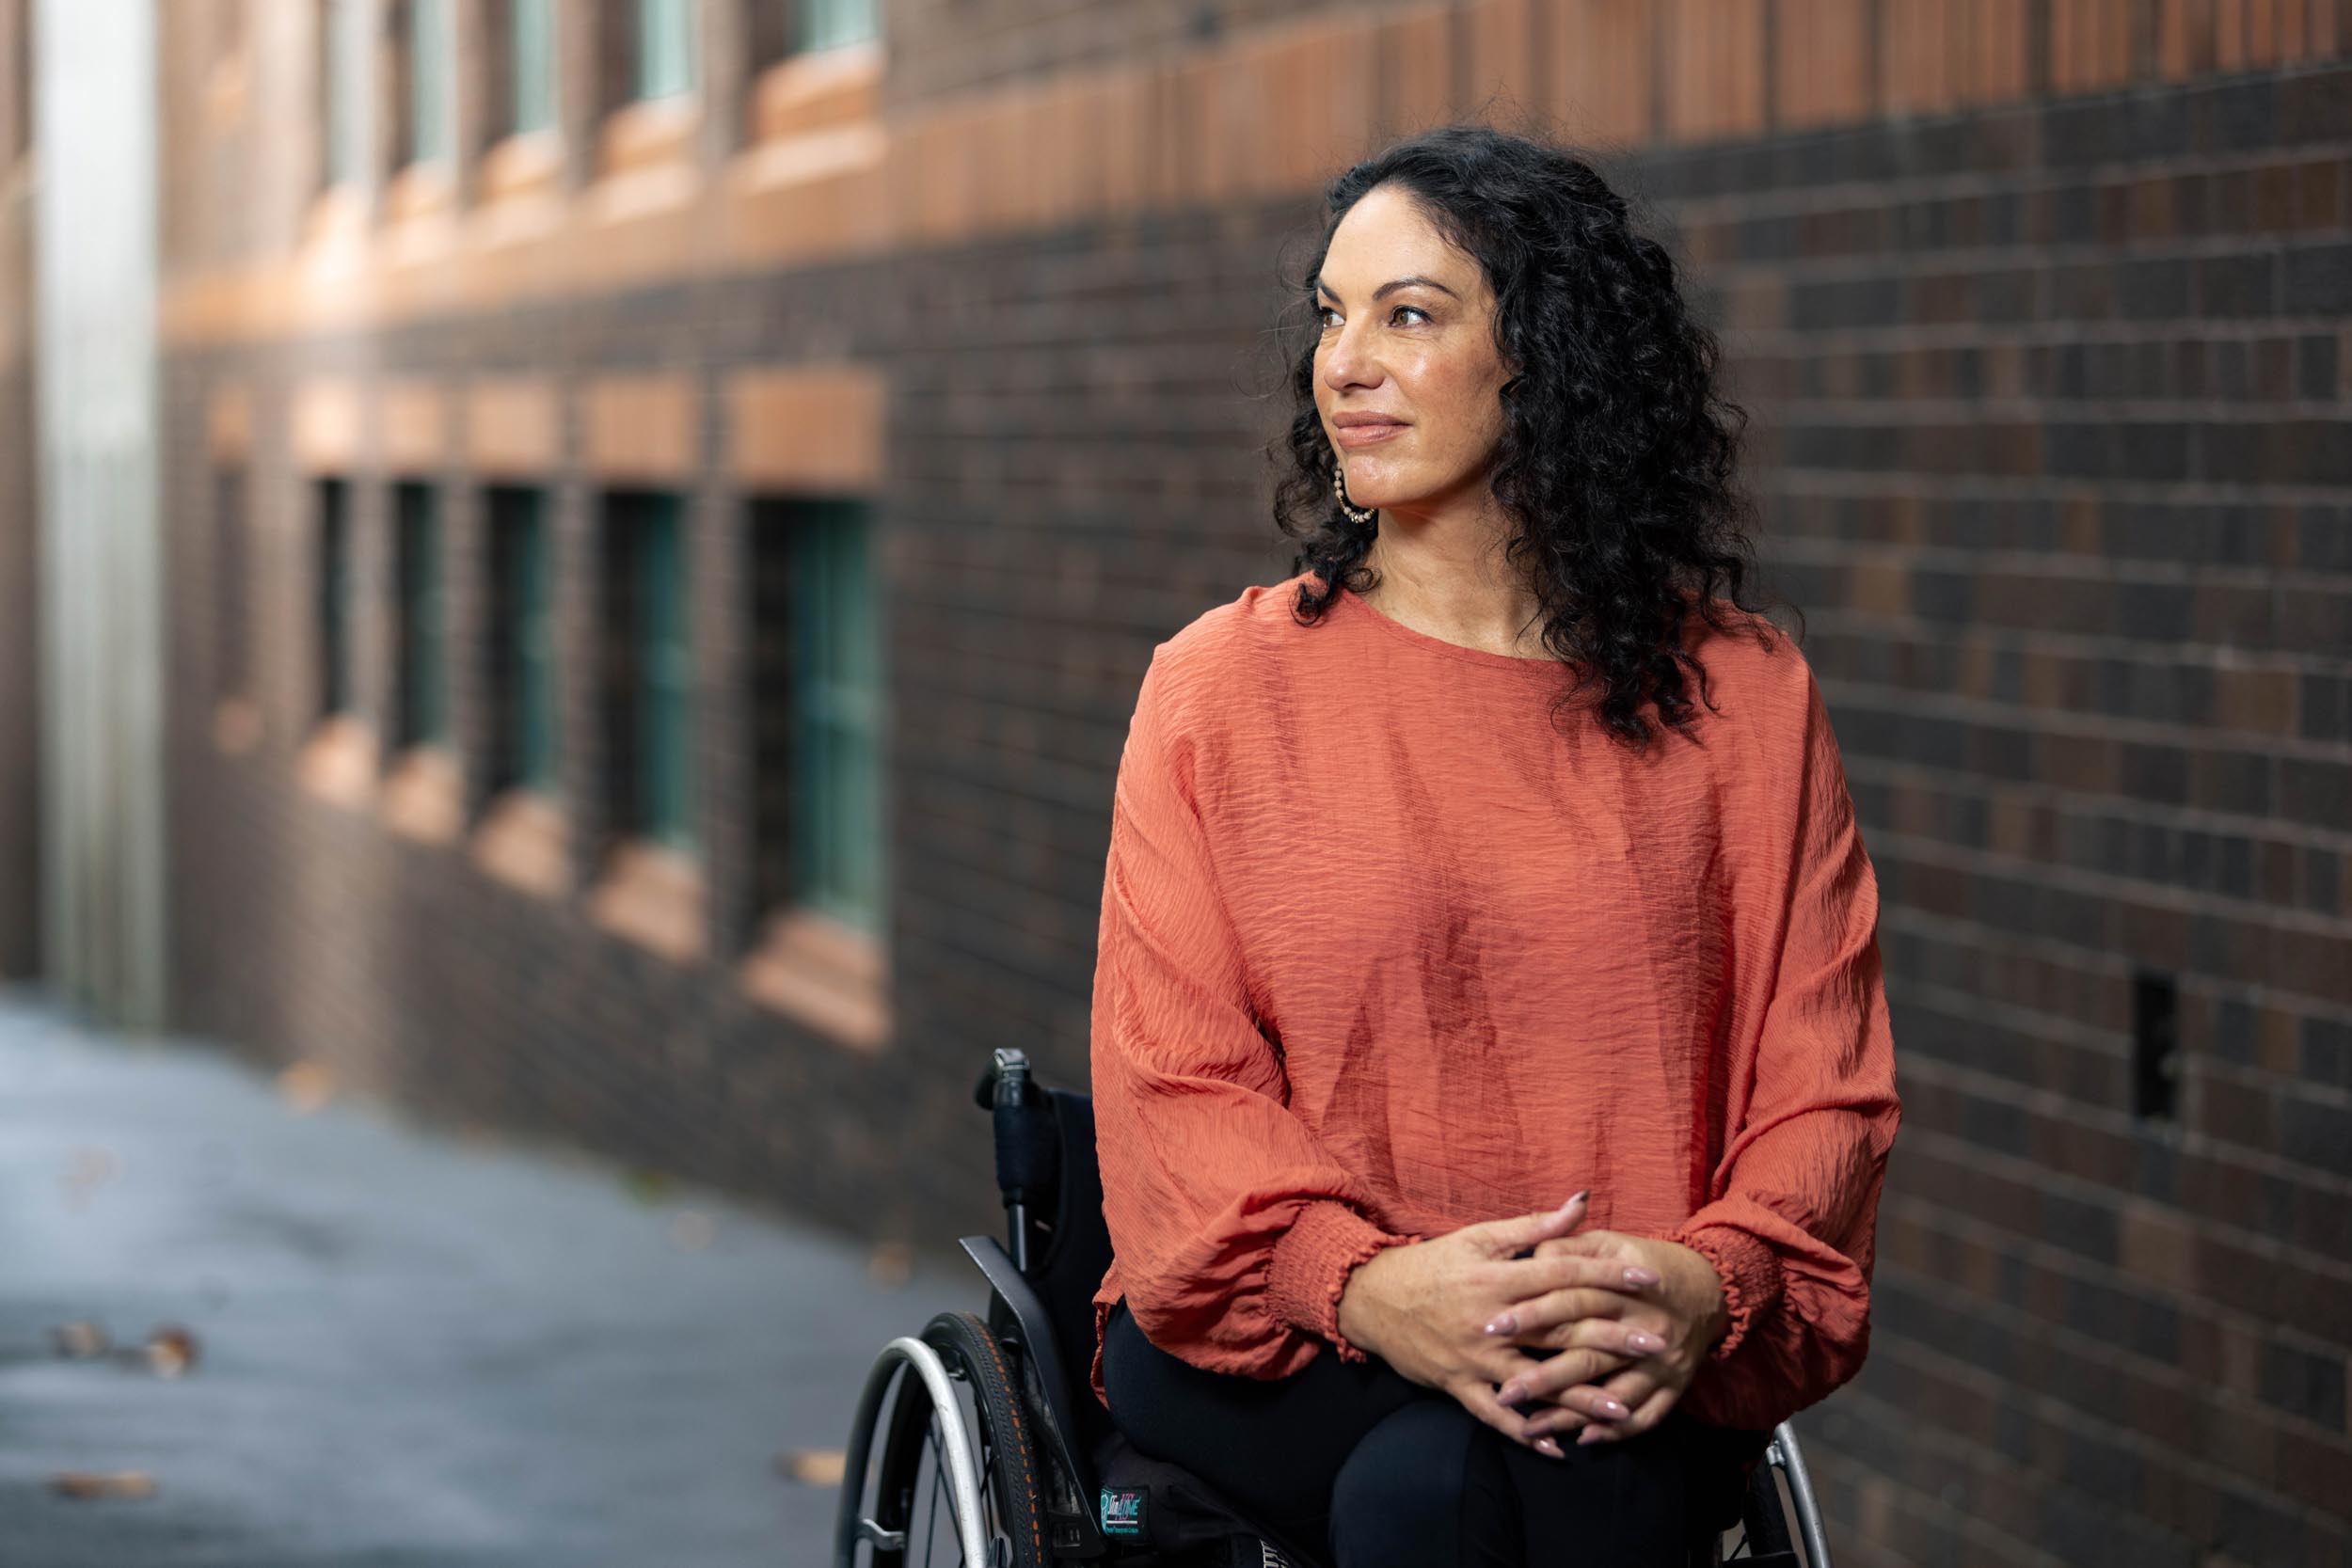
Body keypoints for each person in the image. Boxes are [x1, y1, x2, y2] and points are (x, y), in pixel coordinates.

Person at [1085, 123, 1903, 1567]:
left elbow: (1820, 1093)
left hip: (1631, 1341)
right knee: (1470, 1482)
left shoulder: (1747, 701)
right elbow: (1180, 1083)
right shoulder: (1220, 692)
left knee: (1478, 1473)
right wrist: (1370, 1284)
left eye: (1410, 315)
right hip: (1285, 1336)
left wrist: (1704, 1283)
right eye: (1333, 317)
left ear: (1552, 359)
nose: (1344, 361)